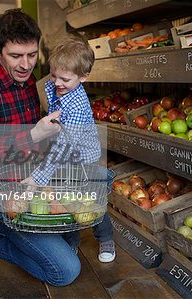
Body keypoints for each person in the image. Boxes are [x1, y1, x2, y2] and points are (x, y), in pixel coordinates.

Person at [0, 9, 80, 286]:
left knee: (73, 234)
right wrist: (34, 134)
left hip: (28, 183)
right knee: (65, 271)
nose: (26, 64)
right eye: (16, 56)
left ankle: (22, 233)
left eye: (32, 55)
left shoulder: (28, 81)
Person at [23, 35, 116, 263]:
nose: (57, 83)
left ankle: (105, 238)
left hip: (82, 159)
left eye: (64, 78)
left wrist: (37, 178)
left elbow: (64, 147)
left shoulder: (76, 106)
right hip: (63, 156)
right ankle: (72, 241)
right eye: (54, 75)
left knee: (90, 199)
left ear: (83, 77)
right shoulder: (57, 86)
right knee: (65, 200)